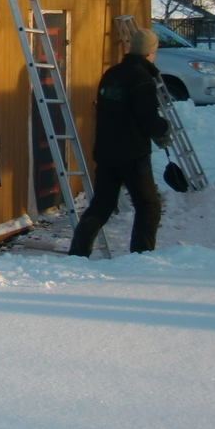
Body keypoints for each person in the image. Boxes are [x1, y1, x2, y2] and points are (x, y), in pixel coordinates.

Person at [68, 27, 171, 257]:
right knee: (148, 206)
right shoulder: (143, 80)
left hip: (106, 151)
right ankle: (141, 255)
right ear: (150, 53)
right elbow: (148, 121)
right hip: (133, 154)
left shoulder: (111, 74)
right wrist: (163, 127)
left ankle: (78, 251)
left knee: (102, 204)